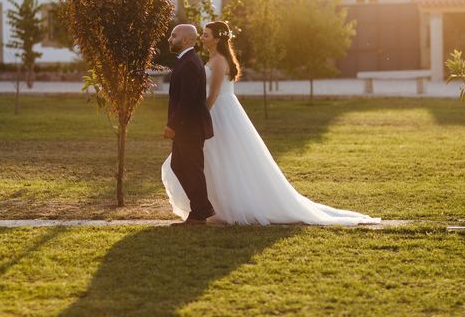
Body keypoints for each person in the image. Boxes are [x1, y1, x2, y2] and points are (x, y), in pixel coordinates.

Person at [162, 21, 380, 226]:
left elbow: (215, 93)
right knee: (207, 161)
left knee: (217, 159)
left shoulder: (218, 61)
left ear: (217, 39)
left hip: (219, 111)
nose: (202, 37)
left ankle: (210, 208)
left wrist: (202, 115)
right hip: (213, 112)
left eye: (206, 35)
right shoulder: (209, 59)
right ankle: (207, 207)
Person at [163, 24, 215, 225]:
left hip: (190, 128)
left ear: (185, 40)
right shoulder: (186, 60)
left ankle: (200, 212)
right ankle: (201, 208)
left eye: (173, 35)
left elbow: (188, 100)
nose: (170, 38)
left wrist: (172, 124)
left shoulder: (190, 63)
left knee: (192, 168)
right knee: (178, 165)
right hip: (186, 128)